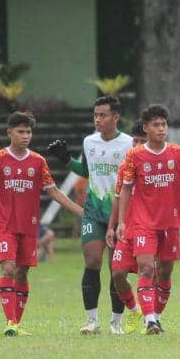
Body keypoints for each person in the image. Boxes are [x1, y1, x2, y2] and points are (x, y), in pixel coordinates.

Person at [0, 111, 84, 336]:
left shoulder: (38, 161)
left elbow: (55, 192)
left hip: (29, 226)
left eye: (28, 131)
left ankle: (16, 324)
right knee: (9, 268)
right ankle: (10, 322)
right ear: (10, 133)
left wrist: (82, 213)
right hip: (5, 225)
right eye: (20, 131)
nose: (25, 135)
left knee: (22, 272)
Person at [47, 95, 135, 336]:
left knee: (116, 269)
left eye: (103, 115)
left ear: (116, 117)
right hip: (93, 212)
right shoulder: (89, 142)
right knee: (92, 261)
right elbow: (85, 170)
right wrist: (66, 159)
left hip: (119, 216)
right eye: (95, 115)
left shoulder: (129, 144)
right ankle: (91, 320)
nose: (97, 119)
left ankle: (116, 322)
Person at [116, 104, 180, 335]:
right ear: (146, 128)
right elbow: (126, 190)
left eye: (164, 124)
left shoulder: (178, 152)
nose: (161, 129)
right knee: (147, 268)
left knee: (165, 272)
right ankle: (148, 320)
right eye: (156, 125)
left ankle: (156, 317)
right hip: (143, 222)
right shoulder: (135, 155)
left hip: (170, 222)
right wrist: (121, 222)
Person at [106, 121, 148, 333]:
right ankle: (134, 309)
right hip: (127, 229)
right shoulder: (125, 167)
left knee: (149, 274)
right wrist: (112, 227)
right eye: (136, 141)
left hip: (149, 228)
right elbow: (117, 198)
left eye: (143, 141)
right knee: (118, 274)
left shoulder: (156, 165)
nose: (138, 145)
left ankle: (152, 319)